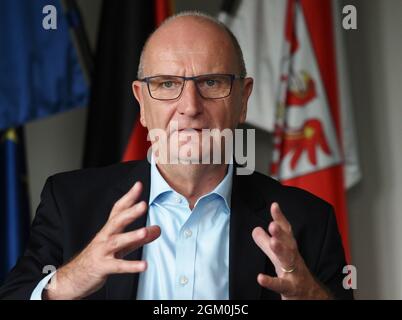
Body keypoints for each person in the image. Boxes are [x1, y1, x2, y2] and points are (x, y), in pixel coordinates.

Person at [0, 11, 352, 300]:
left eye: (211, 82)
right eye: (167, 84)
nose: (189, 106)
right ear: (141, 102)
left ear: (243, 99)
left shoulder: (309, 220)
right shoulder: (70, 203)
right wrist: (68, 281)